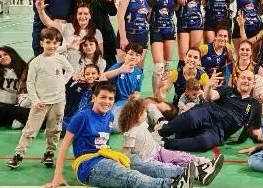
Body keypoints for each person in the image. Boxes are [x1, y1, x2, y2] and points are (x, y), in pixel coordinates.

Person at [43, 81, 194, 188]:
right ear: (94, 98)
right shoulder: (82, 117)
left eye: (110, 99)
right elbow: (64, 145)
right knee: (129, 177)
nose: (107, 102)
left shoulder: (109, 116)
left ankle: (184, 172)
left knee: (139, 162)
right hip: (89, 165)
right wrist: (57, 175)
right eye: (103, 97)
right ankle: (170, 185)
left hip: (108, 156)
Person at [7, 27, 74, 169]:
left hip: (58, 101)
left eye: (55, 43)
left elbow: (70, 70)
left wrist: (62, 81)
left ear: (59, 44)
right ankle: (19, 154)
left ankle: (50, 153)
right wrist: (36, 100)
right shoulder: (36, 62)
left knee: (54, 129)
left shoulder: (60, 58)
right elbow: (30, 83)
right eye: (48, 42)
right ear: (42, 43)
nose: (52, 46)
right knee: (30, 129)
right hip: (41, 103)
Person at [118, 97, 223, 185]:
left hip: (158, 150)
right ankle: (199, 173)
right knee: (168, 168)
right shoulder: (130, 133)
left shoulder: (142, 124)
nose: (145, 114)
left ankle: (204, 162)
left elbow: (147, 134)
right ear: (137, 115)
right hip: (149, 159)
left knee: (178, 156)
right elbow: (125, 153)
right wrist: (124, 167)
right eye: (143, 112)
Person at [157, 70, 262, 152]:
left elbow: (256, 129)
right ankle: (162, 131)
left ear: (253, 84)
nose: (246, 81)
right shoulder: (227, 90)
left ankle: (164, 143)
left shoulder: (256, 105)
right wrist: (208, 86)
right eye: (243, 77)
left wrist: (261, 138)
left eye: (249, 79)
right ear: (237, 80)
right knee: (192, 117)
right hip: (208, 112)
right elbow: (210, 96)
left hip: (219, 131)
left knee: (205, 142)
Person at [75, 0, 118, 66]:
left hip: (105, 34)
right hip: (86, 35)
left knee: (108, 65)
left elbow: (112, 12)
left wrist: (109, 1)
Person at [102, 43, 144, 127]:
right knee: (114, 126)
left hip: (129, 103)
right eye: (131, 54)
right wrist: (120, 70)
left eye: (137, 55)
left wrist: (135, 97)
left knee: (145, 113)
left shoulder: (138, 72)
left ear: (140, 58)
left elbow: (137, 90)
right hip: (116, 102)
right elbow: (103, 76)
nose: (134, 57)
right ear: (125, 56)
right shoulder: (118, 66)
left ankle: (160, 121)